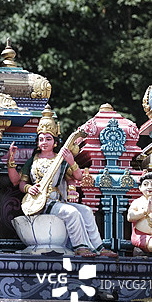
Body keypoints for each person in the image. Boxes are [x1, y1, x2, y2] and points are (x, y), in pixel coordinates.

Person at [11, 106, 117, 258]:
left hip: (58, 200)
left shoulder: (60, 160)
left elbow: (79, 177)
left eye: (48, 139)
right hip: (42, 203)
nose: (44, 142)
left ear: (55, 142)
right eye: (41, 139)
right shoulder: (33, 161)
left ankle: (99, 247)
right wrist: (29, 188)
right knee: (72, 212)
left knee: (86, 211)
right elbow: (20, 183)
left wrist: (71, 161)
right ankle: (80, 247)